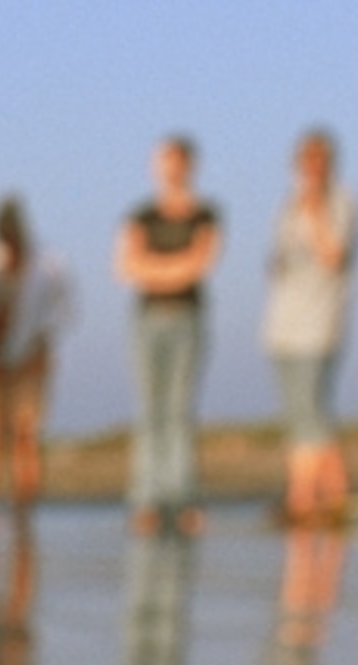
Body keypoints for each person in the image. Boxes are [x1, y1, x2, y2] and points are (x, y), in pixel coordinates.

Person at [115, 135, 223, 534]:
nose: (171, 169)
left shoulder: (205, 214)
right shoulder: (141, 215)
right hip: (146, 321)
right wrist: (170, 270)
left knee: (179, 410)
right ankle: (146, 499)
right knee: (149, 410)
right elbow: (126, 265)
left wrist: (157, 269)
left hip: (188, 319)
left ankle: (183, 499)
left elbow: (201, 263)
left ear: (190, 166)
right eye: (164, 161)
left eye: (177, 161)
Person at [259, 127, 358, 526]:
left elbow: (335, 254)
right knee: (297, 414)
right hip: (282, 325)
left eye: (319, 163)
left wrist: (316, 210)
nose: (312, 171)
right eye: (306, 163)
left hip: (321, 323)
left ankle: (332, 494)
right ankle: (301, 494)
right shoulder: (287, 207)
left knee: (314, 411)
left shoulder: (344, 203)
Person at [0, 196, 72, 511]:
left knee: (27, 433)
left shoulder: (48, 263)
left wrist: (43, 349)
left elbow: (63, 312)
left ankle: (25, 505)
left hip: (32, 359)